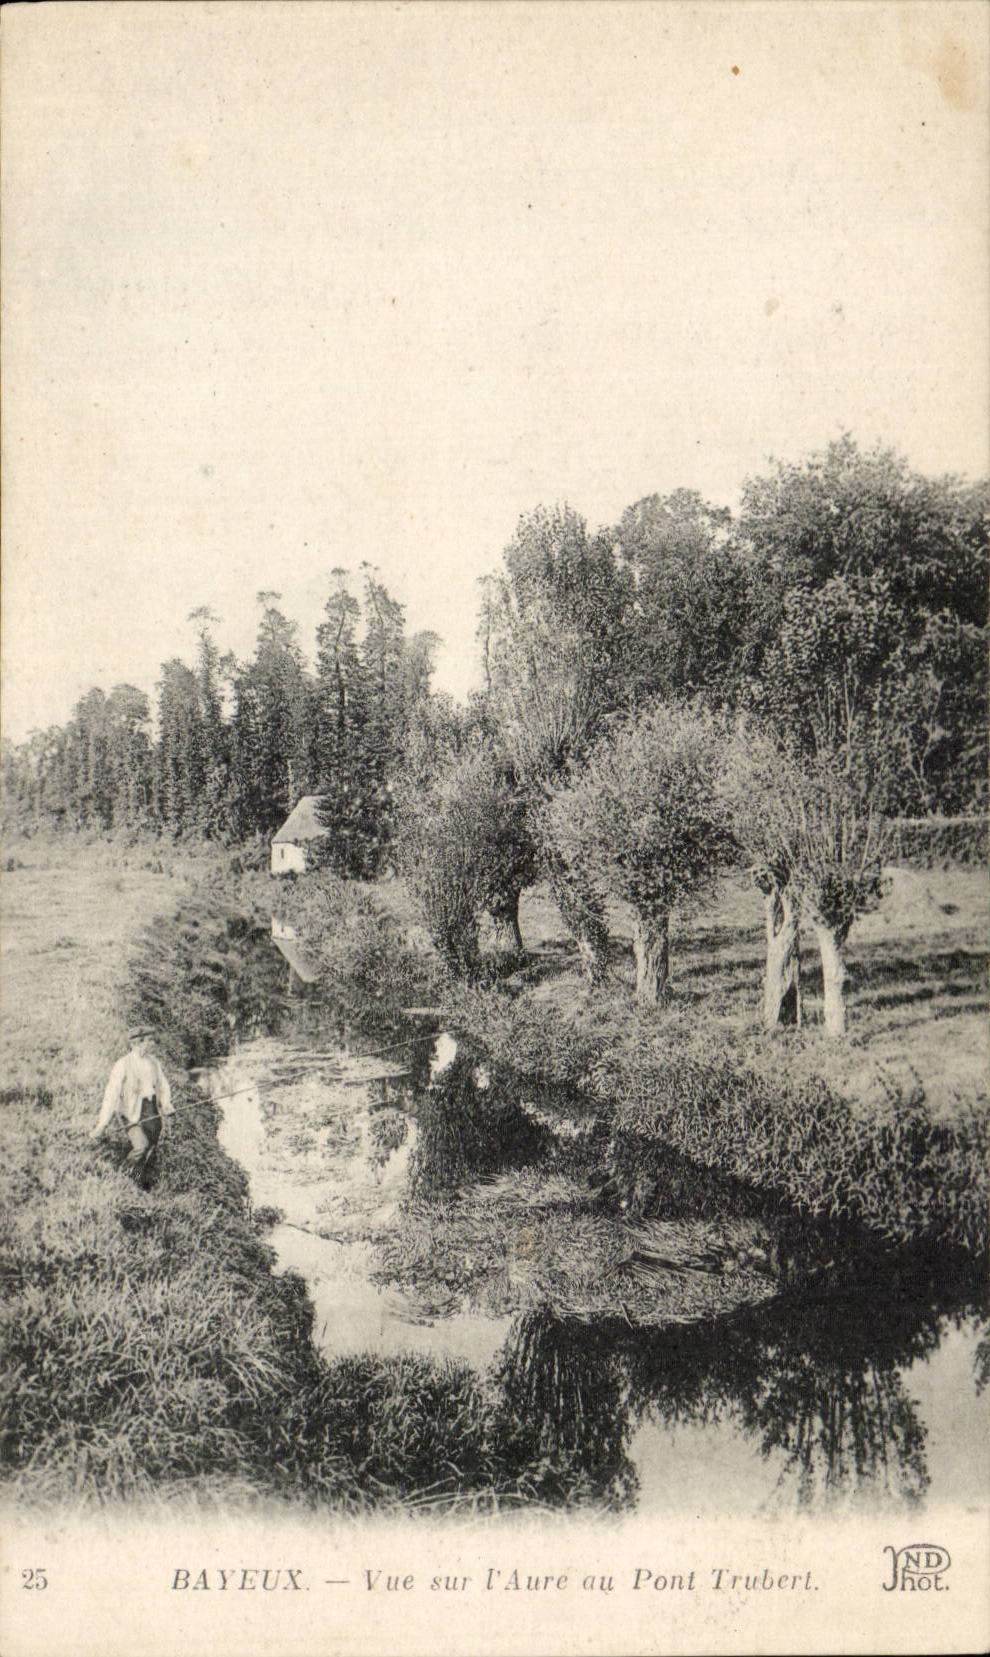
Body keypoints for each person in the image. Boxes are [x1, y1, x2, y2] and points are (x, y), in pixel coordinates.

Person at [91, 1025, 173, 1188]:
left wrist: (167, 1103)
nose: (153, 1044)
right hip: (130, 1113)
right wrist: (102, 1124)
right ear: (138, 1043)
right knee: (141, 1147)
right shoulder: (122, 1065)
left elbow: (163, 1085)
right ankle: (123, 1177)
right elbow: (111, 1096)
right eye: (149, 1040)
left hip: (151, 1109)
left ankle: (141, 1179)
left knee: (151, 1148)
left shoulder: (153, 1062)